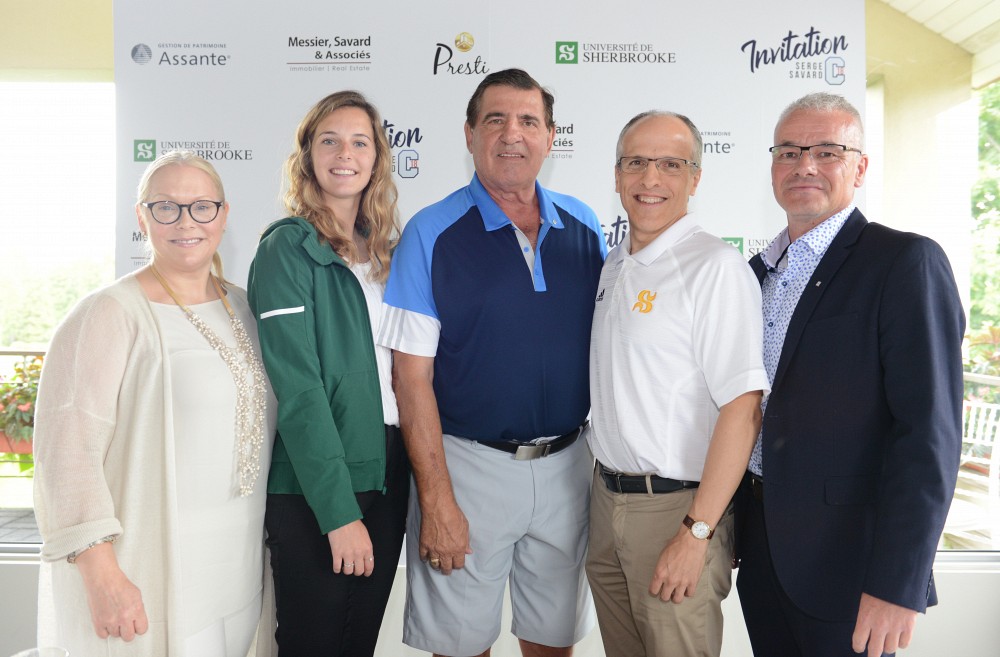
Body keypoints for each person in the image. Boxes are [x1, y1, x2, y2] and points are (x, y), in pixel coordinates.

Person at [378, 68, 605, 657]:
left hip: (567, 465)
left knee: (554, 642)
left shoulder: (585, 226)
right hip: (466, 467)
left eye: (528, 121)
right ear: (470, 133)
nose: (512, 134)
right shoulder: (431, 233)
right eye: (496, 120)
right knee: (460, 646)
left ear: (550, 137)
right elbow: (410, 380)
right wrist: (437, 499)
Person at [734, 92, 966, 657]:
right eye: (788, 152)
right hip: (762, 555)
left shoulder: (904, 262)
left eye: (827, 151)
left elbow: (929, 436)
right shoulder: (752, 275)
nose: (805, 165)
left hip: (851, 569)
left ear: (859, 167)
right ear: (772, 168)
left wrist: (897, 584)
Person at [33, 150, 277, 656]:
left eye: (202, 206)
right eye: (166, 207)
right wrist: (103, 576)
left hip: (238, 573)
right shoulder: (108, 314)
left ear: (224, 215)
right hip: (149, 576)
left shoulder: (248, 307)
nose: (186, 221)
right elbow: (66, 457)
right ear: (142, 216)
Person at [585, 111, 769, 657]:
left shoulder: (714, 266)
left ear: (695, 178)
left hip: (675, 513)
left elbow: (743, 408)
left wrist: (696, 533)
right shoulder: (615, 263)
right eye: (636, 162)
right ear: (616, 174)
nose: (650, 179)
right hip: (606, 500)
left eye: (670, 164)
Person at [247, 90, 408, 657]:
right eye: (330, 140)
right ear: (308, 155)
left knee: (355, 642)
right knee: (313, 644)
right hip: (319, 481)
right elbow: (298, 391)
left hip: (389, 469)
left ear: (377, 157)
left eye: (360, 141)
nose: (346, 153)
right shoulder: (286, 249)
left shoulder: (386, 251)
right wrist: (337, 513)